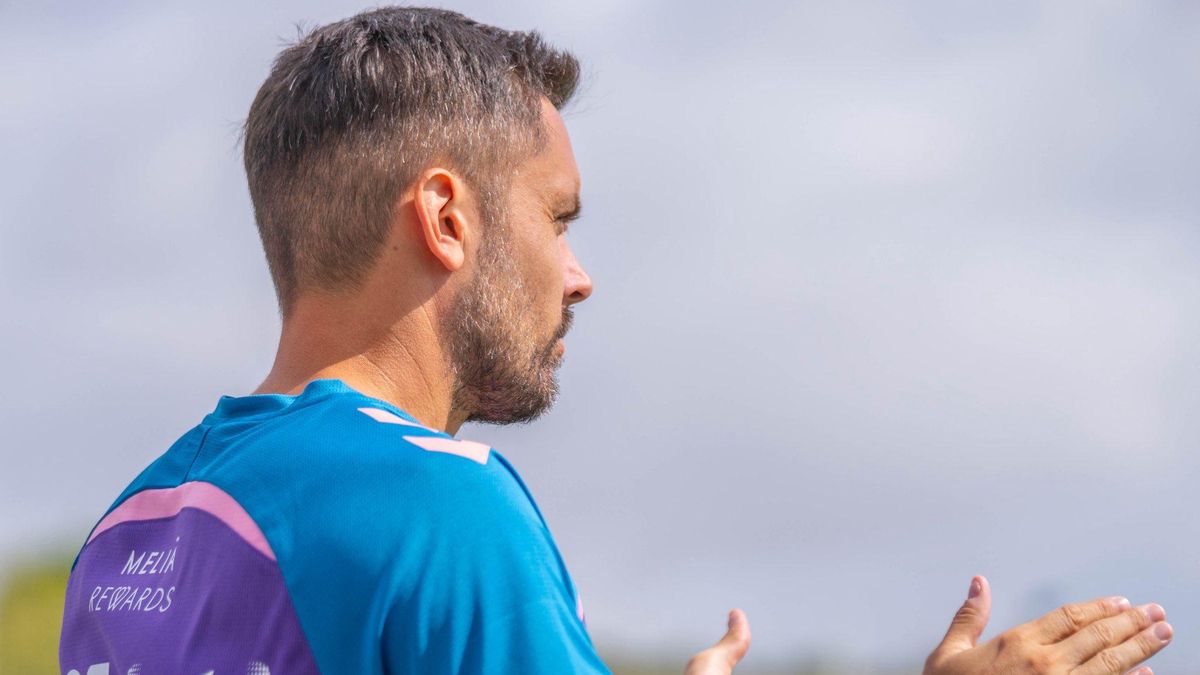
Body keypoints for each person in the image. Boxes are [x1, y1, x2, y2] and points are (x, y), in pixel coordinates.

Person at [58, 7, 1173, 675]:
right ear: (447, 219)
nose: (579, 275)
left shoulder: (125, 533)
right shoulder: (437, 506)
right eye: (557, 218)